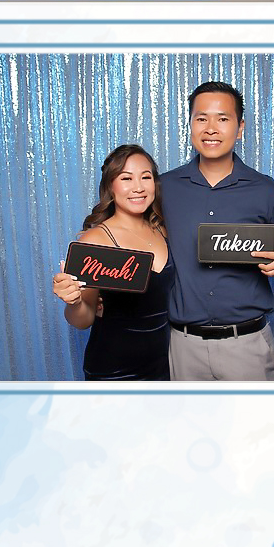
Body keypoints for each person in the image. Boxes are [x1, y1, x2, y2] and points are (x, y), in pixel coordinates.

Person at [157, 82, 274, 382]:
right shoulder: (164, 188)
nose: (211, 128)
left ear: (240, 128)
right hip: (183, 346)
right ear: (190, 125)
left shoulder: (263, 189)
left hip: (247, 346)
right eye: (201, 118)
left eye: (222, 119)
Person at [51, 143, 174, 382]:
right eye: (126, 178)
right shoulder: (95, 240)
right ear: (110, 185)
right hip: (114, 372)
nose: (138, 187)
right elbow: (83, 320)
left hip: (164, 367)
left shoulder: (162, 229)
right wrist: (74, 302)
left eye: (146, 177)